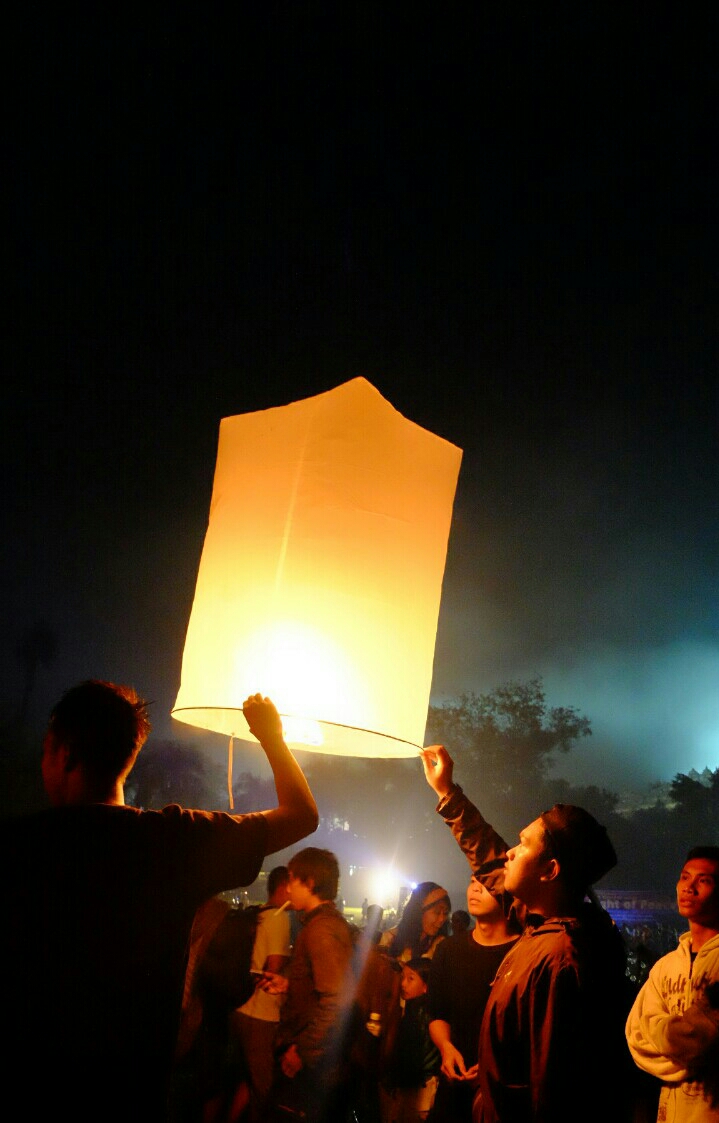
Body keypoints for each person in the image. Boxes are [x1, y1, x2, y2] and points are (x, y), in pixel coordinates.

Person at [1, 681, 318, 1123]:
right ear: (128, 757)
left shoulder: (17, 849)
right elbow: (302, 815)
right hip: (134, 1097)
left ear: (65, 753)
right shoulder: (173, 841)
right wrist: (270, 734)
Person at [420, 743, 631, 1123]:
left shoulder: (561, 958)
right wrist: (446, 793)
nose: (510, 853)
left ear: (549, 871)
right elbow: (490, 860)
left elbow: (550, 1088)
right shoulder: (539, 925)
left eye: (522, 845)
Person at [260, 846, 354, 1123]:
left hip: (310, 1064)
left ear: (310, 883)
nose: (287, 889)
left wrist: (301, 1050)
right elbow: (324, 986)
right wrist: (290, 984)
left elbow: (336, 1000)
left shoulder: (321, 930)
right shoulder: (321, 924)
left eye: (292, 880)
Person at [626, 845, 719, 1122]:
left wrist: (664, 1034)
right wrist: (684, 1049)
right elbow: (635, 1036)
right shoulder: (666, 966)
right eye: (684, 877)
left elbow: (698, 1040)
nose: (688, 888)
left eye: (704, 881)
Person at [427, 875, 519, 1122]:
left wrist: (494, 1066)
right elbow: (437, 1013)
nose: (475, 889)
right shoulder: (449, 950)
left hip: (505, 1095)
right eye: (472, 882)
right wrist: (446, 1048)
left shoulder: (523, 953)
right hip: (453, 1085)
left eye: (486, 885)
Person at [227, 865, 293, 1123]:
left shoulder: (260, 914)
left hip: (240, 1008)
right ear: (283, 887)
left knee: (244, 1079)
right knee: (263, 1087)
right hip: (262, 1014)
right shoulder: (279, 918)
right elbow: (273, 969)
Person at [380, 957, 441, 1123]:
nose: (403, 984)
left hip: (415, 1091)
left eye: (411, 978)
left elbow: (411, 1058)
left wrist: (394, 1082)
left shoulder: (418, 1015)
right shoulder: (417, 1009)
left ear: (426, 987)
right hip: (421, 1087)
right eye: (402, 978)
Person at [379, 881, 451, 961]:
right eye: (437, 912)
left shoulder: (440, 943)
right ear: (418, 912)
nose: (442, 919)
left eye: (445, 913)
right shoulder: (390, 939)